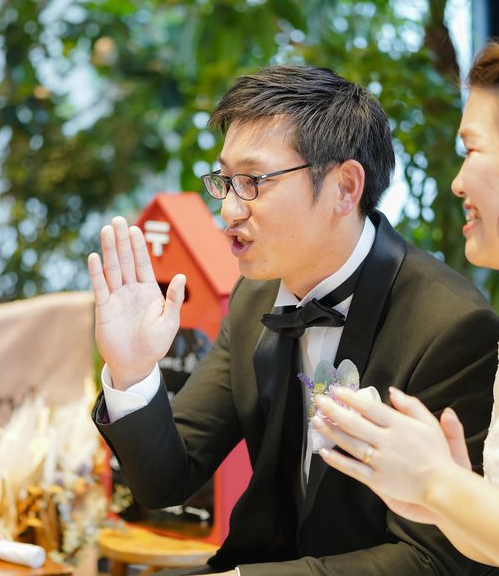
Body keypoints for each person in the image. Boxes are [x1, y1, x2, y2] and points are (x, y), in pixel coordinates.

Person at [89, 65, 499, 575]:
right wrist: (131, 371)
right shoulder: (254, 296)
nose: (230, 210)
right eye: (225, 181)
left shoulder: (450, 324)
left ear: (345, 188)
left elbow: (433, 557)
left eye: (252, 182)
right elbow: (166, 482)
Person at [313, 42, 499, 568]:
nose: (457, 182)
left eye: (472, 149)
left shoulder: (448, 316)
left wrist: (437, 482)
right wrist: (445, 496)